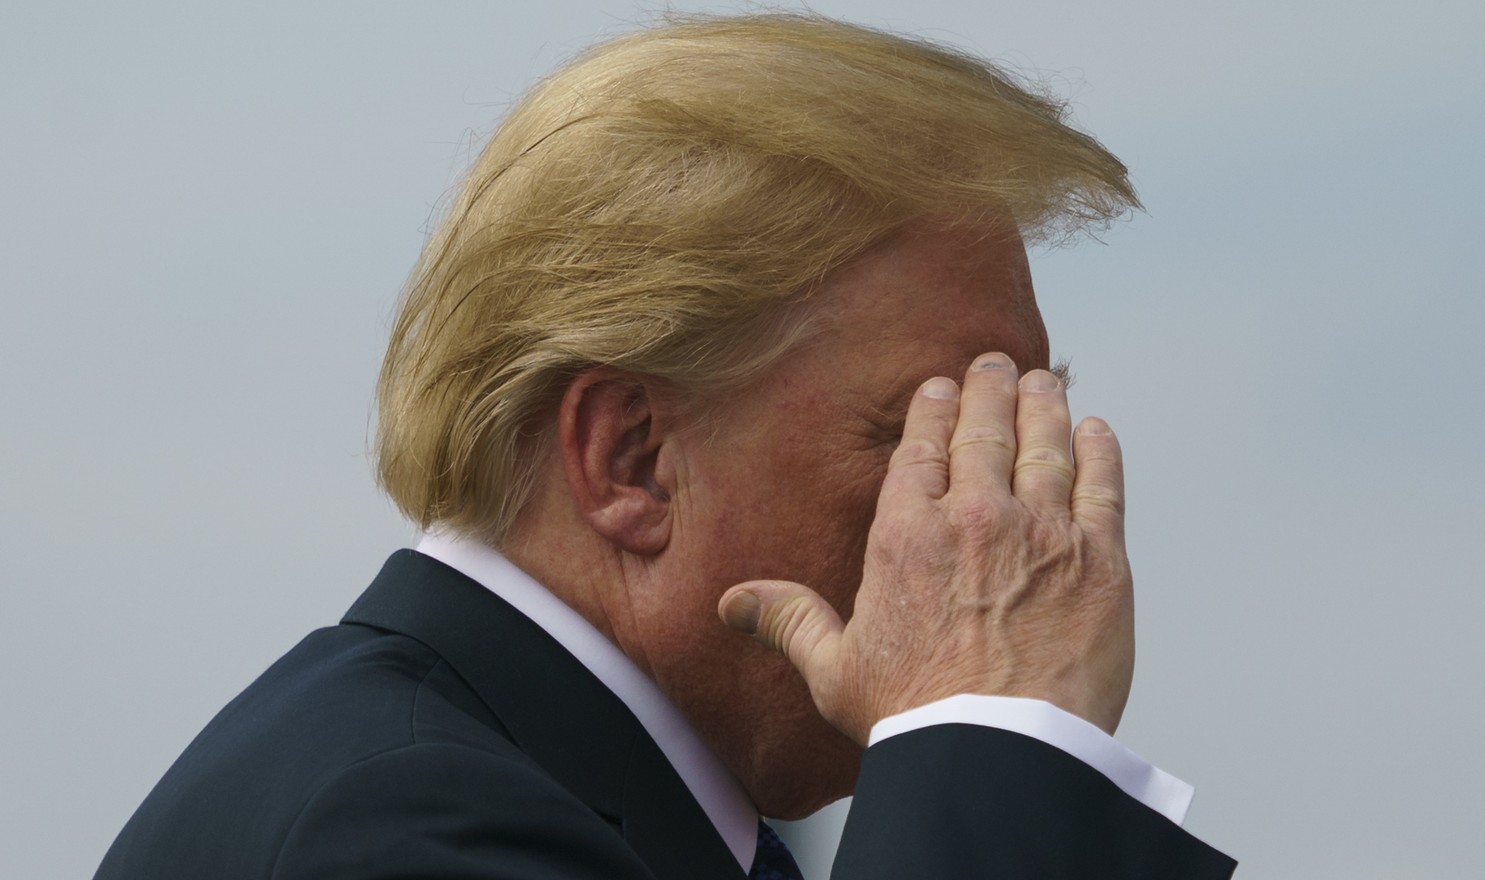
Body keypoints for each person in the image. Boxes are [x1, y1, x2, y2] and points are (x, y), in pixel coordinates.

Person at [95, 13, 1236, 879]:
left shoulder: (592, 802)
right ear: (631, 459)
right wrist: (994, 740)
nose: (997, 524)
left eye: (1011, 430)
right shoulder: (405, 827)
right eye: (925, 438)